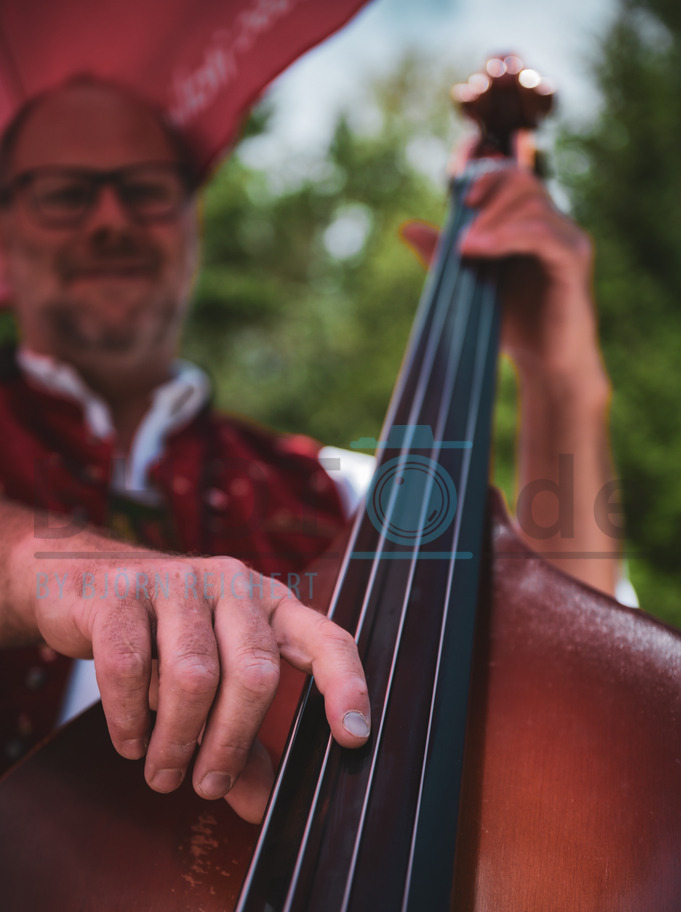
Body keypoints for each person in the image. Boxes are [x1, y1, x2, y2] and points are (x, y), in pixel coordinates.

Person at [0, 76, 620, 823]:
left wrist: (559, 382)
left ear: (192, 229)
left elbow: (561, 641)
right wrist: (60, 571)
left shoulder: (333, 490)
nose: (111, 218)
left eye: (147, 189)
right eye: (65, 193)